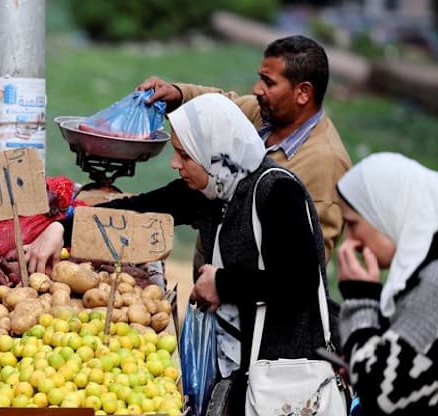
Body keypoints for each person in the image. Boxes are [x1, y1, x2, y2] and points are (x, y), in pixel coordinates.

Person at [33, 93, 356, 416]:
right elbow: (136, 210)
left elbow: (299, 282)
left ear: (214, 152)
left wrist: (224, 284)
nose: (175, 164)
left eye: (184, 155)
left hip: (287, 384)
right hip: (243, 377)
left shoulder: (277, 191)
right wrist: (63, 228)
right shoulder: (212, 189)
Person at [137, 34, 351, 266]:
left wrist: (225, 284)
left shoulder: (326, 162)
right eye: (260, 79)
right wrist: (178, 95)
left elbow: (304, 266)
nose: (257, 89)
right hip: (212, 279)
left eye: (269, 83)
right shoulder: (260, 114)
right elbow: (220, 106)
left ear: (303, 93)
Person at [336, 152, 438, 416]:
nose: (350, 240)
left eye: (353, 225)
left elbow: (381, 394)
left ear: (384, 214)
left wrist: (360, 299)